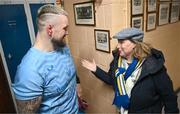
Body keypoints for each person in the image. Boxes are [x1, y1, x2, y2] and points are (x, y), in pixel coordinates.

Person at [81, 27, 179, 113]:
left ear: (135, 44)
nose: (118, 46)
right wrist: (96, 70)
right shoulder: (116, 61)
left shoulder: (153, 66)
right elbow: (112, 80)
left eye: (122, 42)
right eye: (118, 42)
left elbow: (169, 97)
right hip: (123, 110)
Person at [12, 4, 78, 113]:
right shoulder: (30, 69)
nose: (67, 32)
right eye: (64, 28)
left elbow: (68, 72)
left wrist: (77, 86)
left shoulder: (62, 46)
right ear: (50, 29)